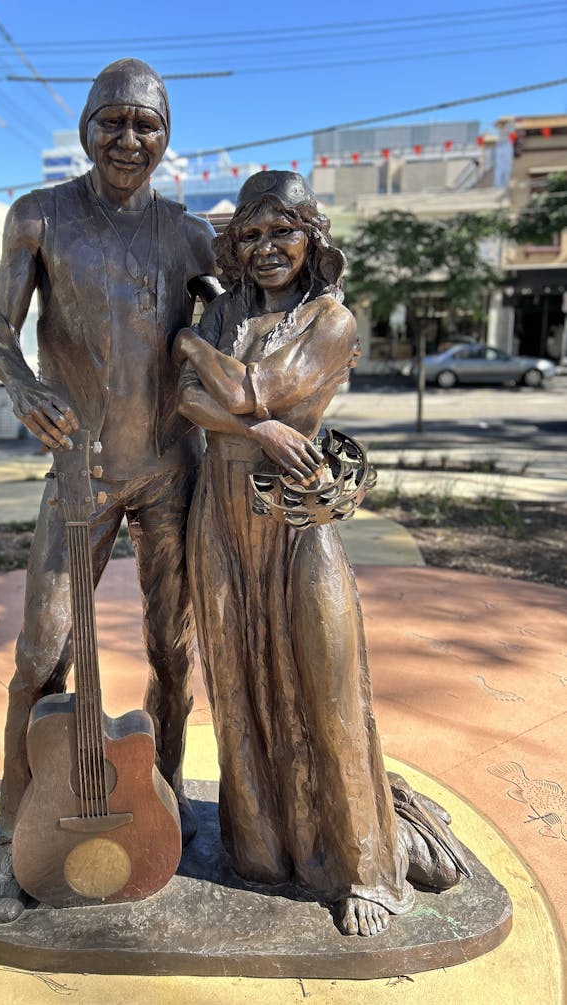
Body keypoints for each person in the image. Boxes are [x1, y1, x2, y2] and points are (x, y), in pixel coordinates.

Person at [174, 171, 468, 938]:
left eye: (283, 231)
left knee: (327, 684)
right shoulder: (227, 311)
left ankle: (364, 866)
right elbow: (188, 400)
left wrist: (192, 347)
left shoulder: (331, 319)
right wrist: (257, 427)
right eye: (250, 235)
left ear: (312, 238)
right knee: (234, 679)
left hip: (296, 516)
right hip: (221, 511)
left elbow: (253, 386)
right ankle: (261, 845)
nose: (266, 248)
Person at [0, 58, 220, 923]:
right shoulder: (39, 215)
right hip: (78, 469)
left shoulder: (190, 235)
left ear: (166, 137)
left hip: (170, 469)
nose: (128, 137)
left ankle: (165, 794)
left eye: (145, 123)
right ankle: (18, 824)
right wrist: (23, 389)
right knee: (41, 653)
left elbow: (234, 329)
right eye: (111, 120)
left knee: (172, 648)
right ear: (86, 128)